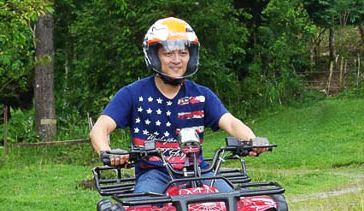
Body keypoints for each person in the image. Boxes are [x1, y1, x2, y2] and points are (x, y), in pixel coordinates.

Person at [89, 17, 265, 193]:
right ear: (154, 56)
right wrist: (108, 152)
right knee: (143, 210)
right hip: (154, 173)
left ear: (191, 56)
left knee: (232, 201)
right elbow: (100, 128)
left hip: (199, 171)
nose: (177, 60)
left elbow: (231, 122)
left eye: (182, 53)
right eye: (168, 54)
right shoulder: (133, 94)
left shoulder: (201, 95)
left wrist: (251, 140)